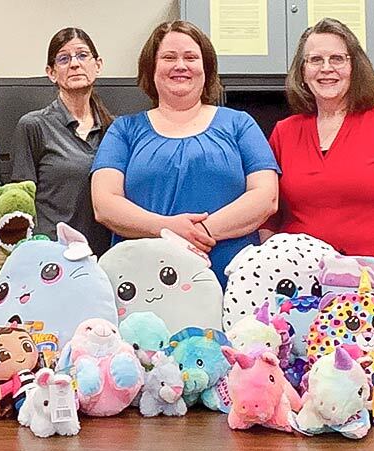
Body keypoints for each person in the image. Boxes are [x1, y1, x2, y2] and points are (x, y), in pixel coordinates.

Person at [91, 20, 279, 287]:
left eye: (191, 57)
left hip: (234, 283)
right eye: (169, 57)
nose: (180, 65)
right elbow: (104, 204)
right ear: (152, 69)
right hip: (143, 286)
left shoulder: (240, 124)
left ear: (206, 68)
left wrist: (200, 232)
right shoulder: (124, 130)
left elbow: (266, 197)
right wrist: (167, 229)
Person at [258, 18, 374, 268]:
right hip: (305, 292)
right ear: (302, 71)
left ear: (354, 68)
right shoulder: (284, 132)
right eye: (315, 60)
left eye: (337, 59)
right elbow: (269, 218)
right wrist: (276, 274)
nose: (326, 68)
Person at [10, 28, 113, 254]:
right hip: (53, 259)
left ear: (98, 65)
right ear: (51, 72)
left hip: (104, 259)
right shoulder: (34, 126)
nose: (74, 64)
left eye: (82, 55)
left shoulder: (115, 131)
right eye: (64, 59)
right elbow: (21, 202)